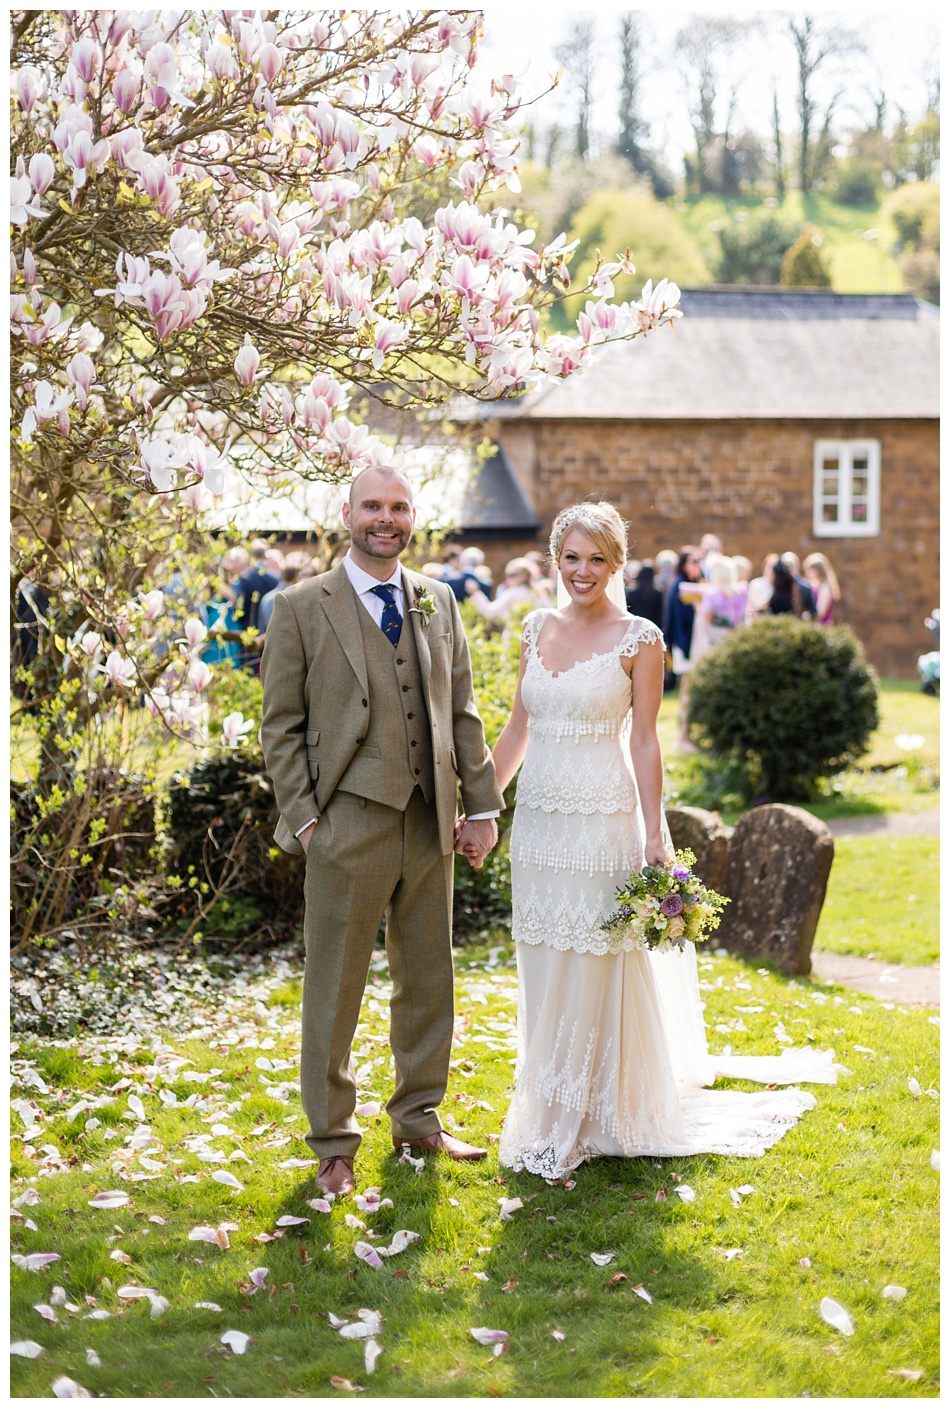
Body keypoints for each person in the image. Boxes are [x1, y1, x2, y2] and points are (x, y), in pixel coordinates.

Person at [459, 501, 838, 1179]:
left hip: (604, 820)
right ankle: (550, 1099)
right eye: (571, 557)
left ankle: (590, 1115)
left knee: (598, 957)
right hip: (541, 825)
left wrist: (653, 834)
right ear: (554, 559)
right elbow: (518, 729)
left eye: (597, 559)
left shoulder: (641, 639)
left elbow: (644, 741)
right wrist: (482, 805)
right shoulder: (535, 627)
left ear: (617, 563)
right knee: (545, 955)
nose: (583, 571)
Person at [259, 466, 504, 1198]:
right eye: (372, 505)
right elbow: (281, 727)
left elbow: (461, 709)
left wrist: (483, 807)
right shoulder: (301, 606)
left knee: (429, 979)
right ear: (348, 512)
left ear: (411, 516)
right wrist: (306, 822)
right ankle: (333, 1142)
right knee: (335, 987)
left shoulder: (438, 599)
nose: (385, 518)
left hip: (430, 820)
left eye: (398, 507)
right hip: (345, 823)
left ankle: (420, 1118)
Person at [663, 546, 703, 748]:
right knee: (687, 690)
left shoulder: (691, 584)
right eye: (694, 562)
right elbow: (678, 622)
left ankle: (688, 735)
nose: (698, 566)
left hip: (690, 645)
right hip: (684, 645)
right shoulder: (680, 586)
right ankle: (683, 737)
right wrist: (685, 648)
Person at [689, 555, 747, 666]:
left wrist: (698, 608)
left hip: (716, 639)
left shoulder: (712, 595)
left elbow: (708, 620)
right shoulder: (741, 592)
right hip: (736, 636)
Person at [234, 540, 280, 668]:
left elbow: (239, 608)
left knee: (249, 668)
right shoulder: (275, 578)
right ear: (265, 556)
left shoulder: (244, 579)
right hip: (270, 629)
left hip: (249, 630)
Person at [466, 557, 537, 623]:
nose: (507, 579)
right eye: (507, 575)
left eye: (512, 575)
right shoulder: (537, 592)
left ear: (523, 576)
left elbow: (490, 612)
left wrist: (476, 592)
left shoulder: (513, 592)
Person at [803, 551, 840, 625]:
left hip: (822, 625)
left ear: (817, 570)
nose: (807, 573)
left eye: (809, 570)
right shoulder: (816, 585)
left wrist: (808, 616)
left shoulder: (825, 587)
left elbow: (821, 611)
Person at [624, 561, 664, 629]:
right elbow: (660, 614)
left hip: (635, 627)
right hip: (653, 627)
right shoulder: (658, 593)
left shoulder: (632, 593)